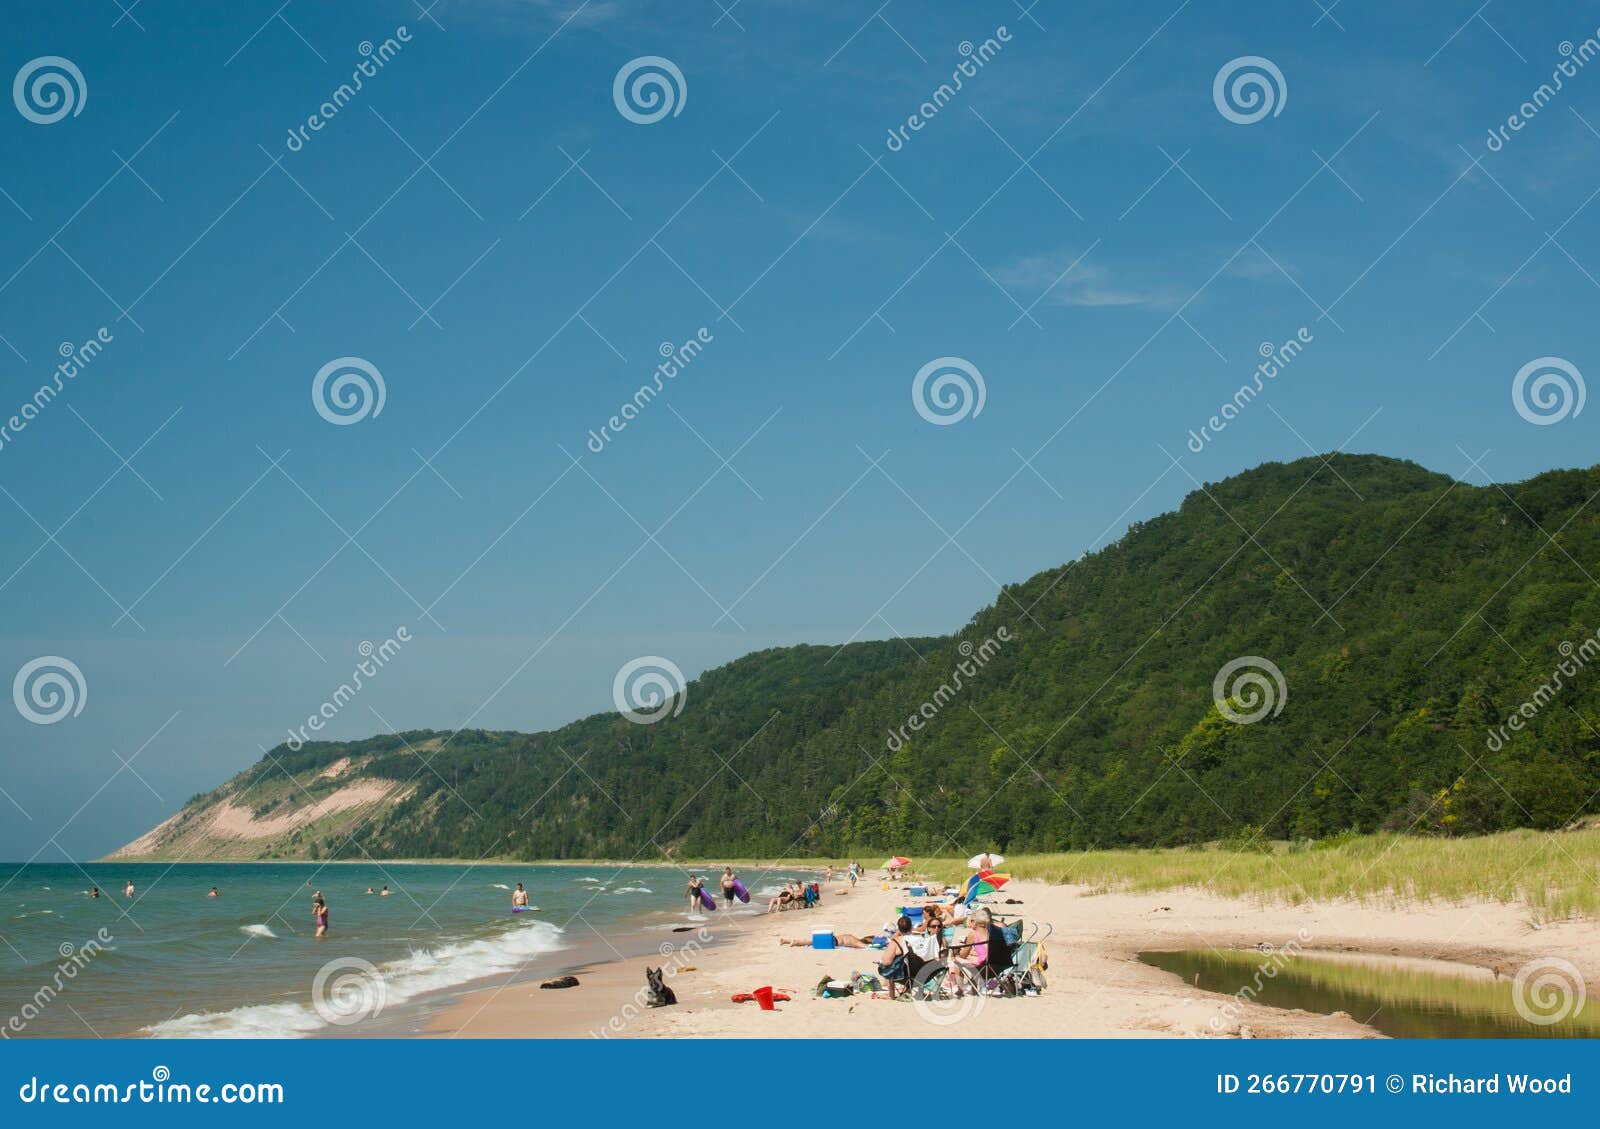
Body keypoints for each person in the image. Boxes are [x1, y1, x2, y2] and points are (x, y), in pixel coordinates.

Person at [780, 930, 877, 948]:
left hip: (833, 938)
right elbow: (866, 947)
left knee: (810, 941)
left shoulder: (851, 936)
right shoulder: (856, 941)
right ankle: (795, 942)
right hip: (833, 942)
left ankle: (785, 941)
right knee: (810, 942)